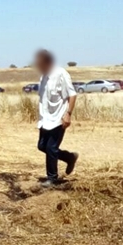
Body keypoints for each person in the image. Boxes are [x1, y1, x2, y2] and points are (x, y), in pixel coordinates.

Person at [33, 49, 79, 186]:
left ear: (47, 62)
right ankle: (70, 157)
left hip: (58, 118)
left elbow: (72, 95)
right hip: (46, 119)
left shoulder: (61, 74)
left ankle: (52, 178)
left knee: (51, 147)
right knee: (42, 146)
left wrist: (68, 114)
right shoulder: (43, 77)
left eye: (40, 64)